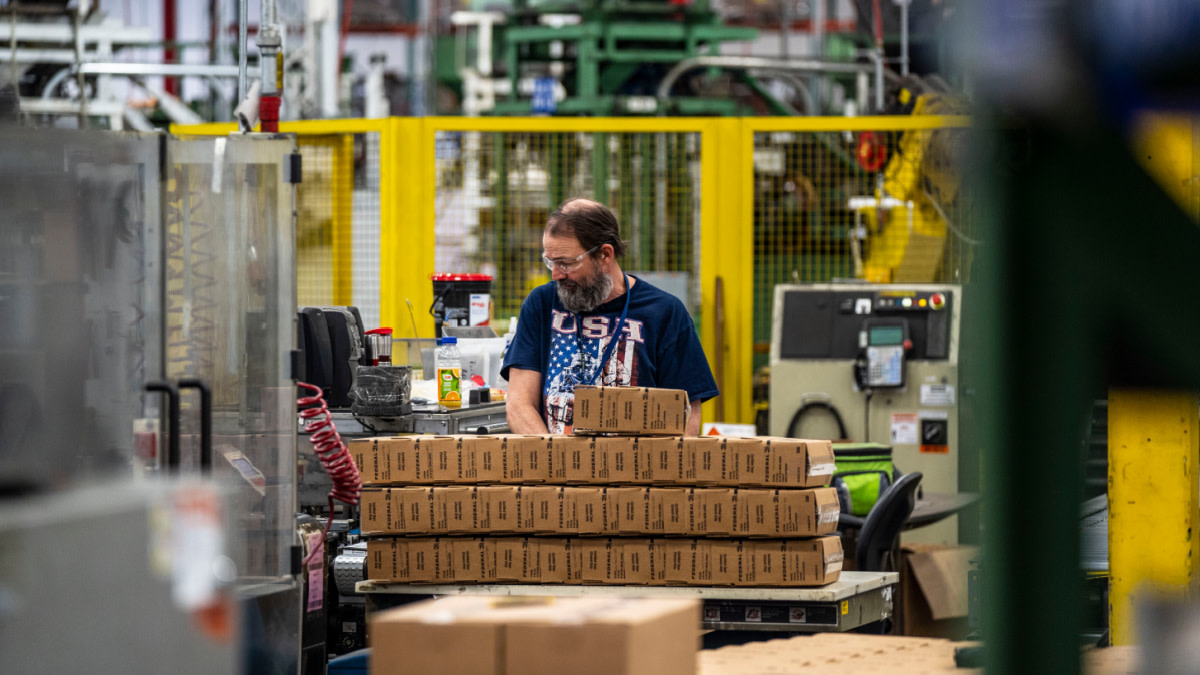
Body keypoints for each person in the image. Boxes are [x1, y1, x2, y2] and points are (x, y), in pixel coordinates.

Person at [501, 197, 719, 435]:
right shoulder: (541, 304)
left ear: (605, 255)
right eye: (550, 262)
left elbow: (687, 412)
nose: (556, 275)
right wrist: (556, 464)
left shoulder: (664, 312)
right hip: (555, 467)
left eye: (566, 263)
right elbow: (519, 404)